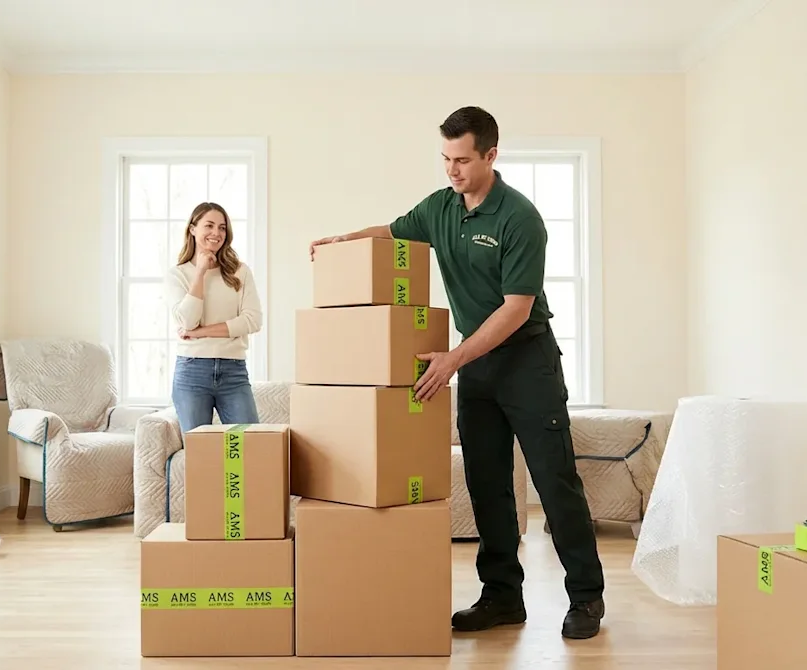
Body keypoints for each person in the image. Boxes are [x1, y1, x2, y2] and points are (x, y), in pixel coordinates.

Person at [309, 106, 606, 640]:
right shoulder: (441, 208)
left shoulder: (519, 218)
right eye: (445, 159)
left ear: (491, 155)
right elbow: (394, 230)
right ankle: (501, 598)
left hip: (527, 362)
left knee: (554, 483)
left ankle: (586, 597)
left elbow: (516, 308)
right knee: (487, 486)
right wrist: (345, 240)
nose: (452, 170)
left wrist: (452, 358)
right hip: (477, 369)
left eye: (462, 160)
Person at [165, 202, 263, 433]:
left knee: (247, 445)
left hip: (234, 371)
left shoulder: (240, 271)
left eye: (222, 228)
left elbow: (252, 320)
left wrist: (200, 332)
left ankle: (231, 472)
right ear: (192, 229)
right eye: (209, 225)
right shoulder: (177, 275)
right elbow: (187, 321)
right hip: (192, 371)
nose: (216, 233)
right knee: (200, 451)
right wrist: (200, 272)